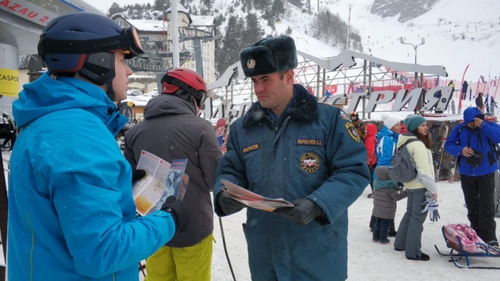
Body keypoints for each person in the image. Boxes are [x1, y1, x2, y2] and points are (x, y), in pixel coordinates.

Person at [7, 13, 189, 280]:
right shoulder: (78, 135)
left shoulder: (47, 121)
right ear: (97, 63)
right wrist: (170, 220)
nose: (129, 71)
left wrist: (116, 186)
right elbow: (103, 251)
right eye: (121, 59)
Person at [213, 35, 370, 281]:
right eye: (254, 80)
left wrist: (318, 203)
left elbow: (353, 171)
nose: (258, 89)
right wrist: (223, 194)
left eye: (266, 79)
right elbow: (231, 170)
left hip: (317, 255)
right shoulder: (243, 129)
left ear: (289, 76)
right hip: (266, 258)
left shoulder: (328, 120)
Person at [124, 68, 222, 281]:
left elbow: (128, 180)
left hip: (154, 226)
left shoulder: (135, 132)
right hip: (193, 226)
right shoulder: (202, 129)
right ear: (190, 96)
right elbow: (215, 180)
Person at [444, 107, 500, 248]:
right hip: (467, 172)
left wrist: (483, 125)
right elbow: (448, 145)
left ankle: (489, 237)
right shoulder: (459, 129)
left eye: (474, 122)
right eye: (470, 122)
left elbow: (497, 137)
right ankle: (475, 232)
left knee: (486, 204)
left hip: (486, 171)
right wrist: (460, 150)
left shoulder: (489, 125)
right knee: (472, 204)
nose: (472, 125)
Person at [394, 115, 438, 261]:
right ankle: (413, 252)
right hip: (421, 185)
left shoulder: (405, 142)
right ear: (415, 128)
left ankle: (400, 243)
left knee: (410, 214)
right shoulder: (418, 144)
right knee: (417, 219)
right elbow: (424, 171)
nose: (426, 128)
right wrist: (433, 191)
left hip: (411, 185)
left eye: (426, 125)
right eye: (422, 125)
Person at [369, 114, 401, 234]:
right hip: (385, 173)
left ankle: (375, 224)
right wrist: (388, 175)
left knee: (382, 202)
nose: (400, 126)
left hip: (382, 172)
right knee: (388, 202)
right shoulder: (388, 139)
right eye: (397, 124)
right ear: (391, 126)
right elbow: (386, 158)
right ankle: (388, 228)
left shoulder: (390, 137)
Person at [372, 166, 407, 244]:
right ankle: (383, 239)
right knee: (385, 224)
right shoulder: (390, 187)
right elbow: (396, 197)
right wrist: (405, 193)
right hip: (387, 210)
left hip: (377, 209)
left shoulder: (376, 184)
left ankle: (375, 237)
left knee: (377, 223)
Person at [365, 123, 378, 198]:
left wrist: (369, 160)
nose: (365, 131)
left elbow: (369, 151)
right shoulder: (374, 137)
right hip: (374, 160)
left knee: (371, 177)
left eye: (367, 129)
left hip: (370, 161)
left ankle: (374, 192)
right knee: (373, 176)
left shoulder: (369, 139)